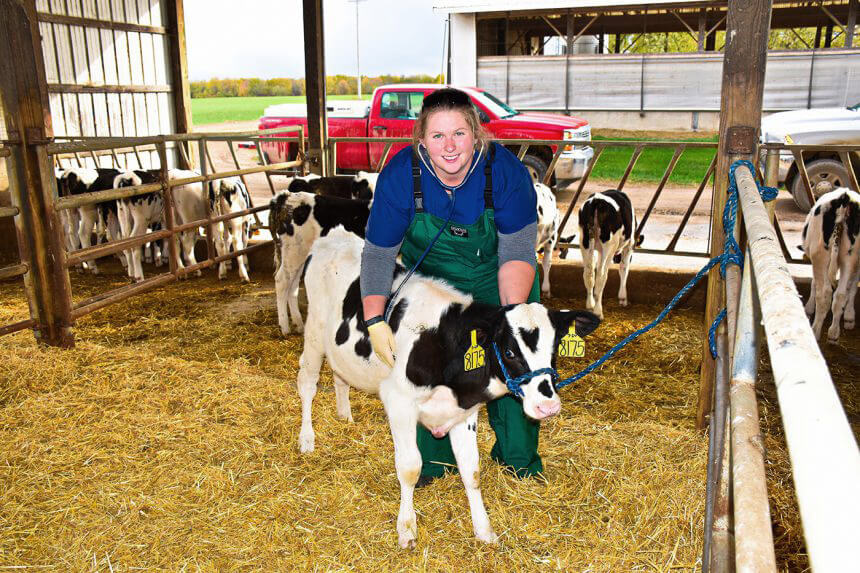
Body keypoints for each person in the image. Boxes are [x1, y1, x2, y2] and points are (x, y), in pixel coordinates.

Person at [359, 87, 542, 484]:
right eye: (437, 135)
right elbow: (378, 254)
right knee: (430, 367)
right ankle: (437, 464)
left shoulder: (507, 173)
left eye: (459, 133)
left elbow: (517, 253)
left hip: (499, 278)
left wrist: (510, 319)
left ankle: (517, 460)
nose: (449, 146)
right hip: (435, 287)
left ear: (476, 134)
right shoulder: (399, 177)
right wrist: (374, 319)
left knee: (510, 368)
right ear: (421, 139)